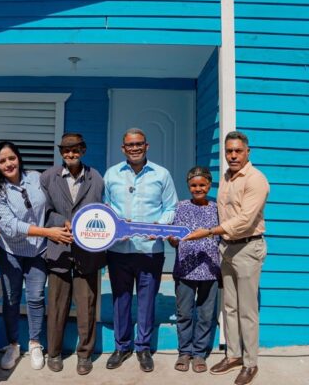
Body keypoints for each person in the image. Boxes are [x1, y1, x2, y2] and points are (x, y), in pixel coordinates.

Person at [183, 131, 269, 385]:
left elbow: (245, 220)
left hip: (248, 247)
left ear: (247, 152)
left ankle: (250, 363)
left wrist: (209, 232)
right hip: (227, 248)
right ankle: (233, 355)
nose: (233, 155)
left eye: (238, 151)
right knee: (229, 307)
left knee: (247, 310)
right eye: (229, 151)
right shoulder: (227, 178)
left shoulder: (256, 180)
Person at [0, 141, 73, 371]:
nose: (8, 163)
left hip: (37, 250)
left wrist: (61, 220)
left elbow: (50, 206)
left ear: (18, 158)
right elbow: (11, 225)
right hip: (10, 252)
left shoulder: (35, 178)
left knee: (35, 297)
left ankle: (35, 343)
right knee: (11, 298)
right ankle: (13, 344)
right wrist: (48, 232)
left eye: (11, 158)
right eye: (2, 161)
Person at [103, 128, 178, 372]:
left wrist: (160, 226)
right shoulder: (112, 174)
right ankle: (121, 347)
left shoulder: (161, 174)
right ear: (123, 148)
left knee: (147, 301)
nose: (134, 148)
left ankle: (143, 348)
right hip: (119, 249)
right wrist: (114, 225)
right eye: (130, 145)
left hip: (149, 249)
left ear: (146, 146)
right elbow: (105, 208)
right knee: (121, 299)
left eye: (139, 144)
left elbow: (171, 207)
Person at [40, 133, 105, 375]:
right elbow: (44, 211)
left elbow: (101, 211)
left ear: (83, 150)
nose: (71, 154)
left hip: (88, 250)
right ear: (61, 153)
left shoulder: (96, 177)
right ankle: (54, 352)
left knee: (87, 304)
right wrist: (62, 222)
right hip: (59, 248)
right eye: (66, 150)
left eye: (75, 149)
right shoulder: (48, 177)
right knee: (57, 304)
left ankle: (85, 355)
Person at [168, 166, 220, 373]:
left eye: (202, 185)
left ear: (209, 185)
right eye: (193, 185)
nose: (198, 189)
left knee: (206, 315)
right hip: (185, 270)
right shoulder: (180, 207)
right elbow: (173, 238)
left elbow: (222, 234)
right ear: (188, 186)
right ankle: (184, 352)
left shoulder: (216, 208)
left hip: (210, 271)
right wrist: (172, 240)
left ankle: (199, 353)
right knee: (184, 313)